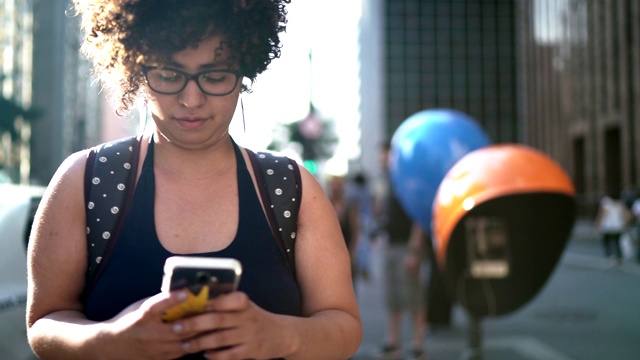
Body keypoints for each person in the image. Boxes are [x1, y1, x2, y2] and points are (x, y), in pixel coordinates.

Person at [25, 1, 362, 359]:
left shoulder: (291, 187)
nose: (191, 99)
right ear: (136, 69)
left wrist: (281, 335)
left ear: (243, 72)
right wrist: (110, 340)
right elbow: (43, 323)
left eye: (215, 77)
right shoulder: (85, 180)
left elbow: (344, 325)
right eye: (170, 76)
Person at [375, 142, 427, 360]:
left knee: (412, 295)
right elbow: (381, 213)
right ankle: (393, 341)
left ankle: (418, 344)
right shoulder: (387, 182)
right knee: (393, 296)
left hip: (408, 245)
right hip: (391, 243)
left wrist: (415, 250)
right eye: (381, 156)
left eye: (386, 156)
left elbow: (419, 216)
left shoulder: (409, 181)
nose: (383, 160)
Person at [595, 193, 632, 266]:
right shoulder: (620, 202)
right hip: (618, 225)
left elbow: (602, 214)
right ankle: (619, 258)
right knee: (617, 242)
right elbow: (624, 213)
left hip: (608, 225)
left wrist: (598, 224)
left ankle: (609, 257)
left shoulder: (605, 201)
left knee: (607, 242)